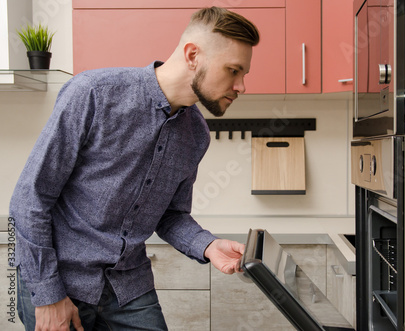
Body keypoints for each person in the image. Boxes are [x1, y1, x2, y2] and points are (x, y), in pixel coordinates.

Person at [10, 6, 259, 331]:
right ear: (193, 55)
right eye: (233, 70)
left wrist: (208, 245)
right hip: (60, 279)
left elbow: (171, 215)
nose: (241, 86)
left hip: (129, 286)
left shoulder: (196, 134)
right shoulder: (93, 94)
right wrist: (46, 294)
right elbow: (29, 200)